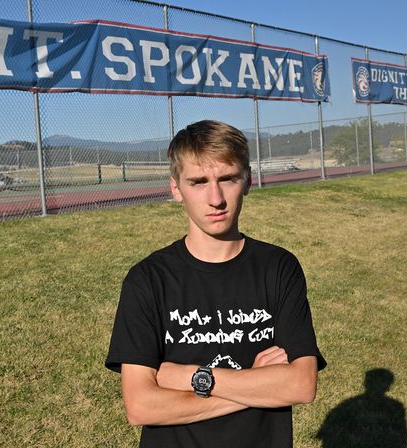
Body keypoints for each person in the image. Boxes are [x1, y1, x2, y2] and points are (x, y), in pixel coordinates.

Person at [105, 120, 326, 447]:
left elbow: (301, 386)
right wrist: (257, 384)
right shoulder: (148, 280)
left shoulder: (278, 268)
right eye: (198, 182)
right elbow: (140, 406)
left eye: (228, 179)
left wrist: (188, 377)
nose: (216, 198)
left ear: (248, 180)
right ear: (176, 189)